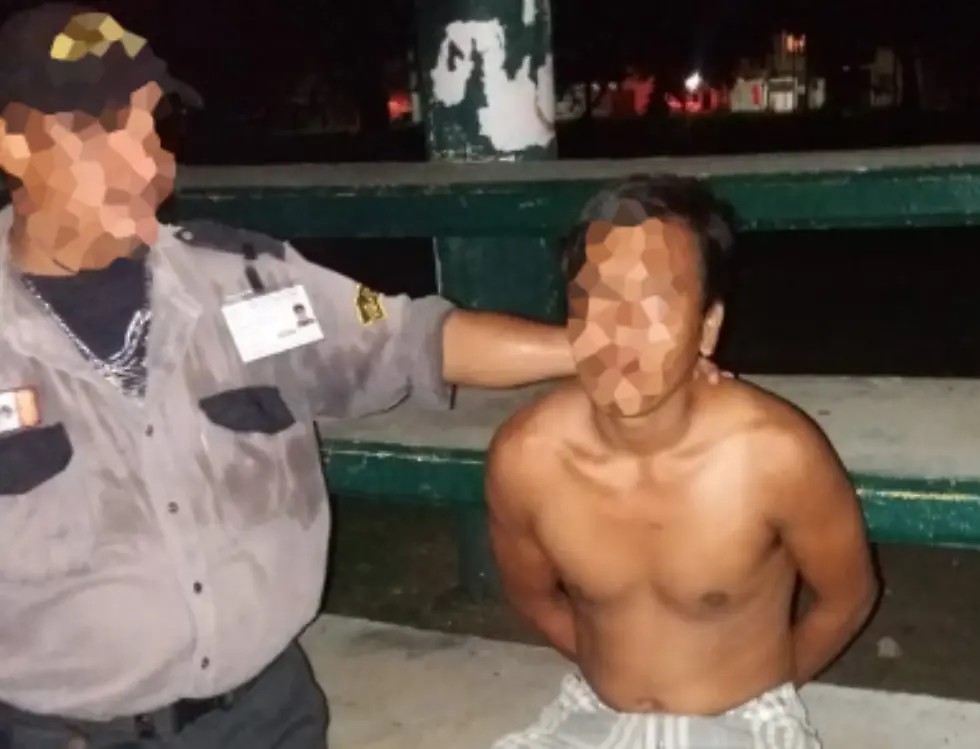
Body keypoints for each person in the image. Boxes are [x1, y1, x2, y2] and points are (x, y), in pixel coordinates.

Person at [0, 6, 724, 749]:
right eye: (98, 130)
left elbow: (411, 334)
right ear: (15, 143)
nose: (145, 162)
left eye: (149, 127)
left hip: (265, 719)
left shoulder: (248, 283)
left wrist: (603, 344)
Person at [485, 175, 879, 748]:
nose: (622, 331)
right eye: (599, 298)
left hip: (745, 721)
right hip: (591, 710)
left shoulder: (773, 455)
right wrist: (616, 677)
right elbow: (532, 596)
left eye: (655, 302)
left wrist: (762, 690)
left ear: (707, 327)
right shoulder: (528, 458)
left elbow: (847, 598)